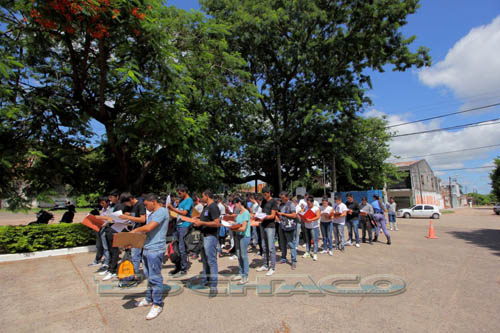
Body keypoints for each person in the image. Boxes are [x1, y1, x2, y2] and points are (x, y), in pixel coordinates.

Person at [131, 193, 169, 320]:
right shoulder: (153, 213)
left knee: (155, 277)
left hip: (155, 249)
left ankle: (157, 304)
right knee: (149, 276)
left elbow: (148, 228)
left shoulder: (161, 211)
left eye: (146, 204)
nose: (146, 207)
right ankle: (148, 298)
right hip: (147, 248)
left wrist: (134, 232)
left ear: (153, 201)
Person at [190, 189, 221, 297]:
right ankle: (206, 279)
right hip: (203, 236)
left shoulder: (213, 207)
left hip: (210, 237)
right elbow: (205, 217)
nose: (201, 198)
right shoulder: (206, 207)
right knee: (204, 260)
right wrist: (197, 218)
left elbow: (217, 223)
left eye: (202, 196)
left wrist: (201, 222)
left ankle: (213, 286)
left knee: (211, 260)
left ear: (207, 196)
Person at [100, 190, 130, 281]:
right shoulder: (114, 206)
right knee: (110, 250)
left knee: (115, 251)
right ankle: (110, 268)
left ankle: (113, 270)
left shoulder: (122, 206)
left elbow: (121, 219)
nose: (110, 199)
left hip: (116, 231)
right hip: (111, 230)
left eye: (111, 197)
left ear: (117, 196)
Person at [119, 193, 147, 280]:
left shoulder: (140, 205)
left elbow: (143, 219)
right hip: (134, 230)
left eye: (126, 203)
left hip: (140, 231)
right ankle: (135, 271)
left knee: (135, 254)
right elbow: (132, 216)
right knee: (133, 253)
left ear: (131, 199)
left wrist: (129, 217)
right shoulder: (132, 206)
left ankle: (136, 273)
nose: (126, 205)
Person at [167, 185, 193, 277]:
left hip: (184, 226)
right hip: (177, 225)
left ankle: (183, 268)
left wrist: (172, 209)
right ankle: (178, 266)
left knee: (182, 248)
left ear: (185, 191)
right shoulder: (181, 201)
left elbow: (185, 213)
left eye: (180, 193)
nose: (179, 194)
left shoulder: (189, 200)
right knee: (175, 247)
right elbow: (179, 211)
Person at [228, 197, 251, 284]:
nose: (234, 206)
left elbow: (243, 228)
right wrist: (231, 223)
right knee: (238, 254)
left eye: (235, 204)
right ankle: (241, 273)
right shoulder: (239, 213)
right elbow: (238, 223)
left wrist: (233, 229)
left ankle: (245, 275)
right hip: (238, 236)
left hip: (244, 236)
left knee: (243, 255)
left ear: (239, 203)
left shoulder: (246, 213)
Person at [256, 187, 278, 276]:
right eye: (263, 194)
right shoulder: (264, 202)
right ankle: (265, 265)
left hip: (270, 227)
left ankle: (272, 268)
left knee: (271, 248)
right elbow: (262, 212)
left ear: (269, 193)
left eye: (265, 194)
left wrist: (264, 217)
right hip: (263, 225)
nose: (264, 196)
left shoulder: (273, 202)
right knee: (264, 247)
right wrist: (259, 217)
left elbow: (273, 216)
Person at [88, 197, 112, 269]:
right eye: (100, 203)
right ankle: (99, 260)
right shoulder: (103, 209)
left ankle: (107, 262)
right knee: (100, 246)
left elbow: (110, 219)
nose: (101, 204)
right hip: (100, 229)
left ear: (107, 202)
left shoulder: (110, 210)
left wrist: (105, 223)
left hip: (105, 229)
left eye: (103, 203)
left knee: (105, 247)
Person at [276, 191, 298, 269]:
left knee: (291, 244)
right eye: (281, 197)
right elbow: (278, 214)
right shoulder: (280, 205)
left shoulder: (291, 204)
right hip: (281, 226)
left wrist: (283, 214)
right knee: (282, 244)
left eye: (283, 197)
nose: (281, 199)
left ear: (287, 197)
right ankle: (283, 258)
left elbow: (294, 215)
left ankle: (293, 261)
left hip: (289, 226)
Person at [302, 197, 321, 261]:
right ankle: (307, 252)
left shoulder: (316, 208)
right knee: (307, 241)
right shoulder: (306, 208)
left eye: (309, 203)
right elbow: (303, 213)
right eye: (307, 203)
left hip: (314, 227)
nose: (308, 204)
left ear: (312, 202)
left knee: (315, 241)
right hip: (307, 226)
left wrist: (310, 219)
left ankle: (315, 253)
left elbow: (318, 217)